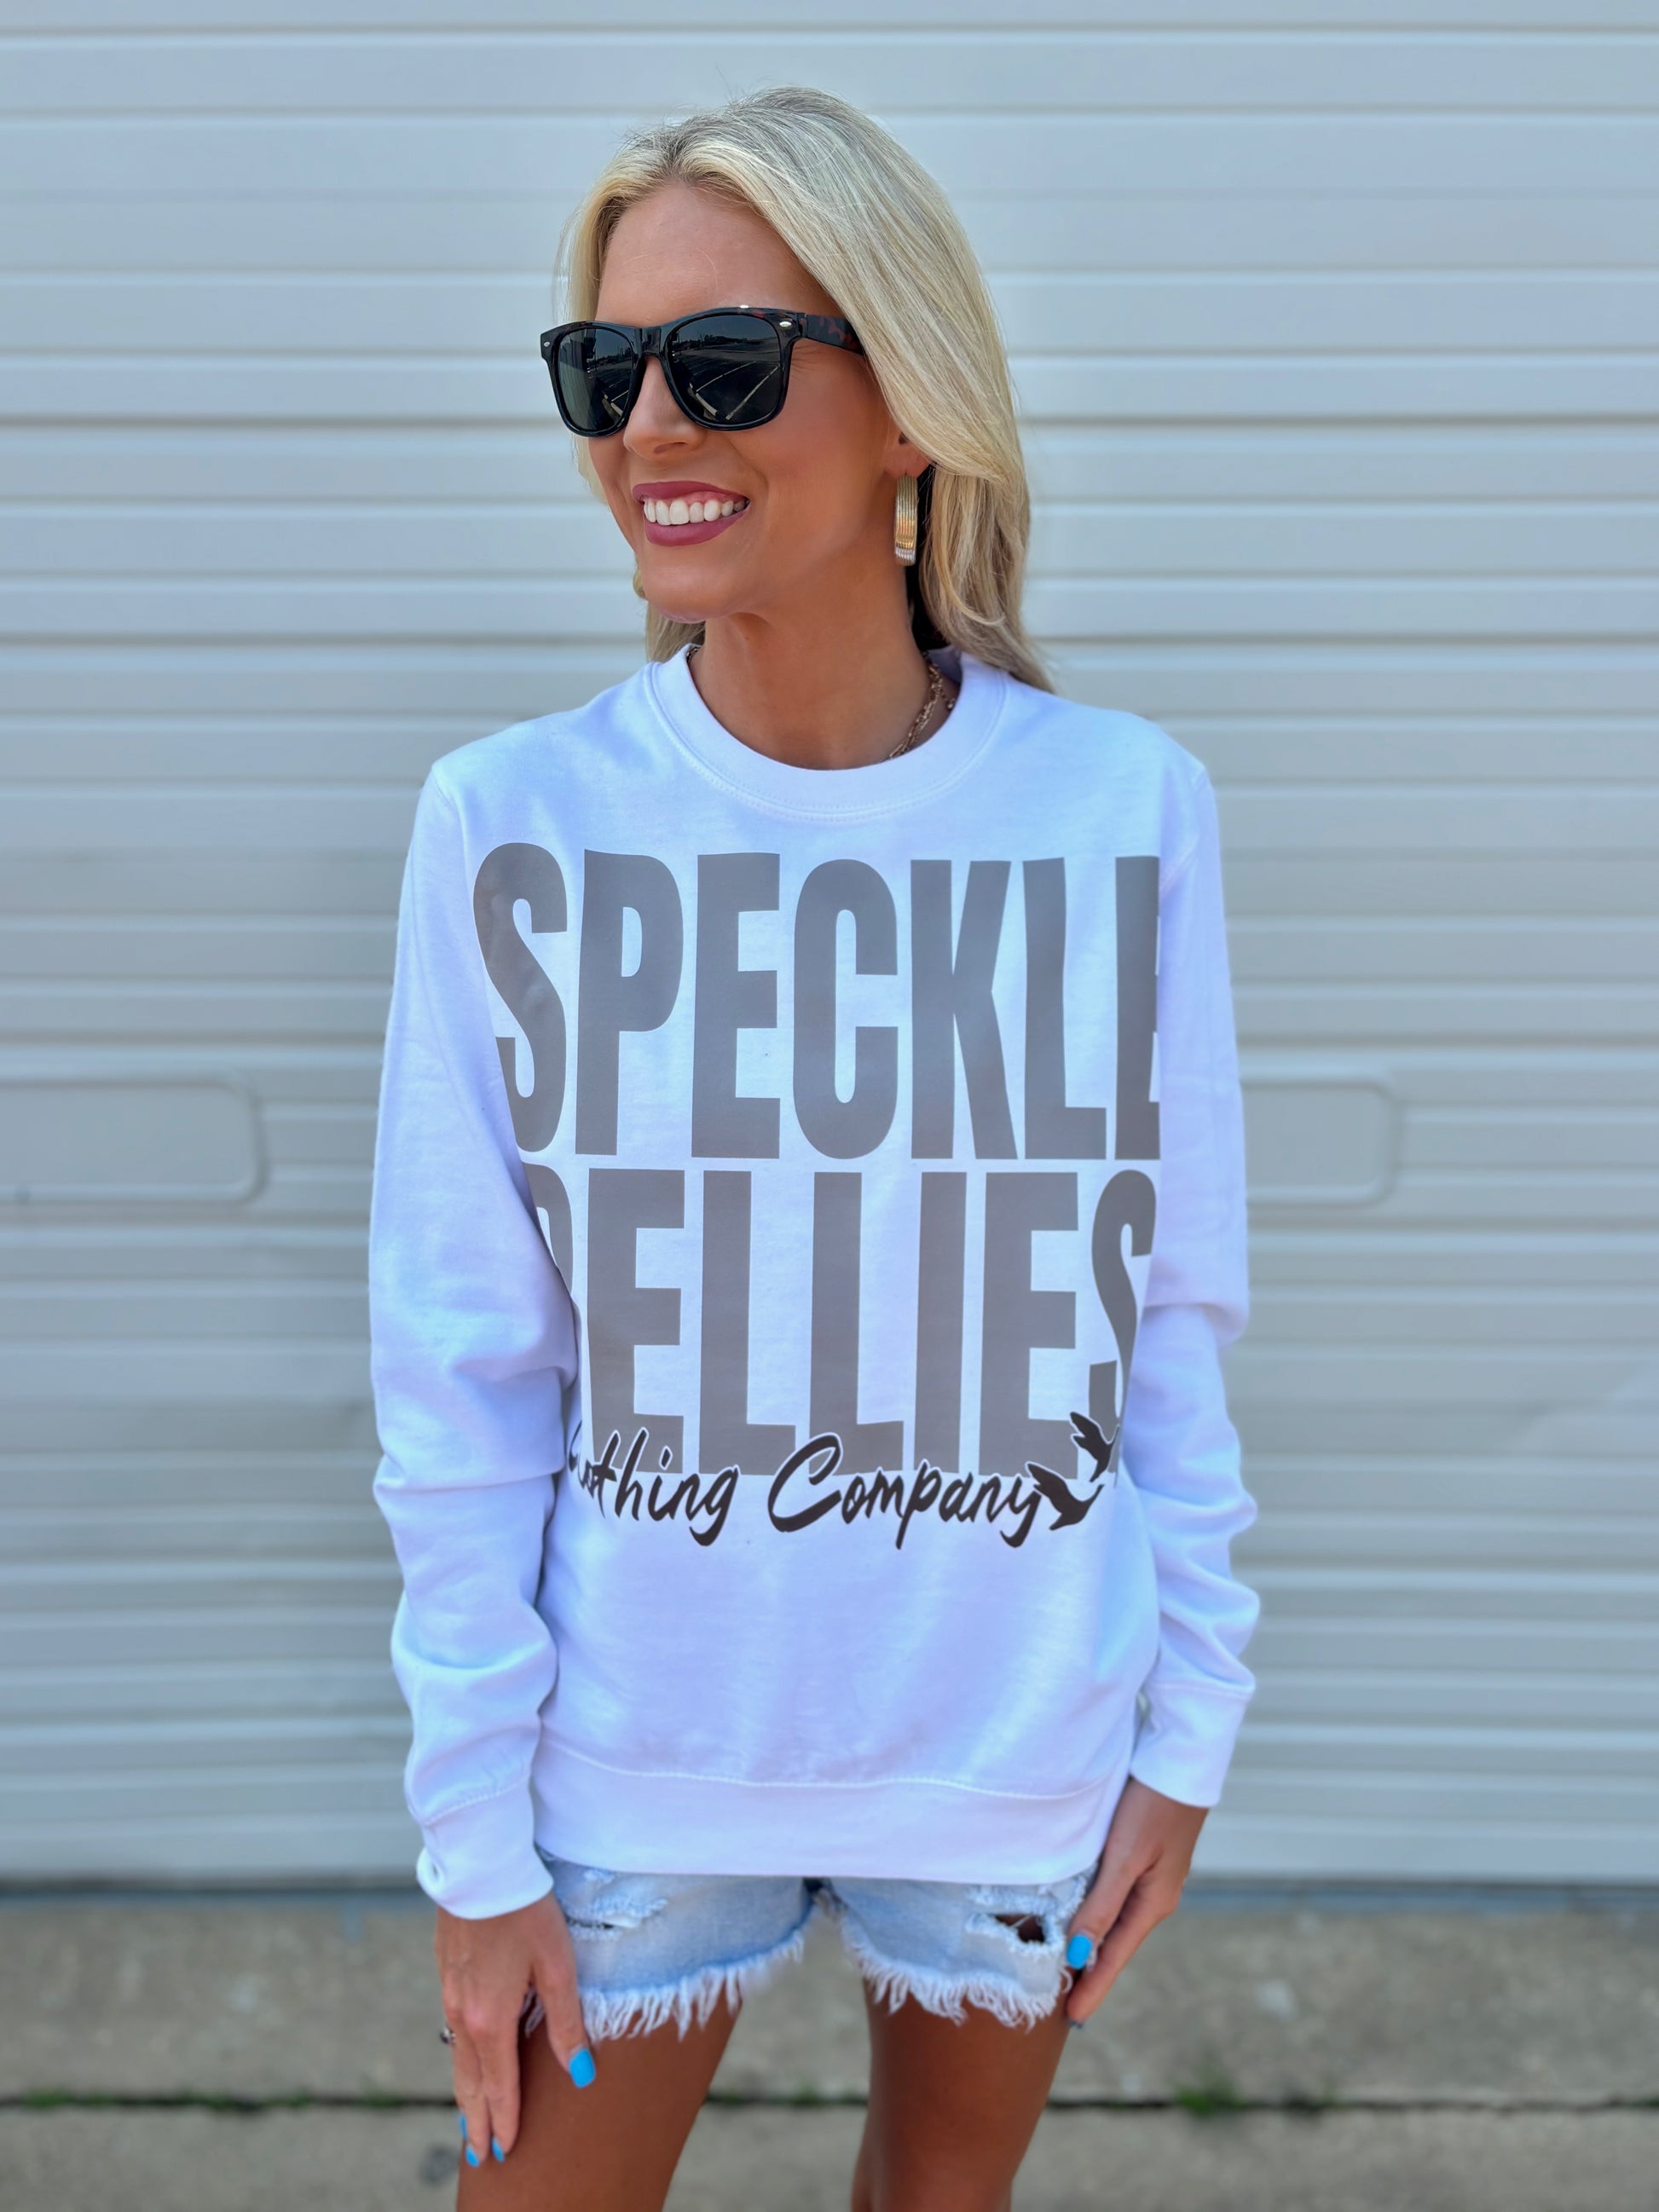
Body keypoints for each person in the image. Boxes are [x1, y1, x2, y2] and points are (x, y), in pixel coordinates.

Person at [369, 84, 1260, 2212]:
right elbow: (461, 1371)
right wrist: (473, 1839)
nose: (648, 424)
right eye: (605, 367)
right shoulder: (511, 826)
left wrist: (1190, 1724)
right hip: (635, 1755)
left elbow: (1166, 1310)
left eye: (725, 362)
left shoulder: (1119, 810)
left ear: (912, 409)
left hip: (1015, 1736)